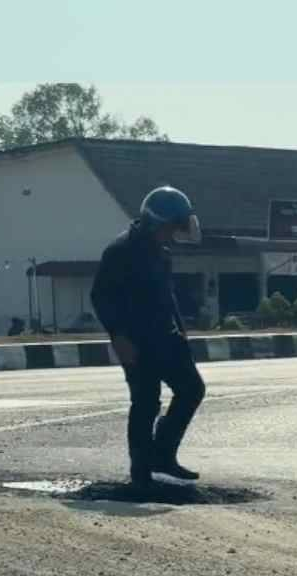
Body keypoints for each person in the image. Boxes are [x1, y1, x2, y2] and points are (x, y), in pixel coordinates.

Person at [90, 185, 206, 487]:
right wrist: (118, 337)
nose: (176, 232)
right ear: (156, 221)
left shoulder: (159, 251)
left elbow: (166, 295)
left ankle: (163, 455)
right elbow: (100, 297)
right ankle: (141, 471)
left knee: (192, 389)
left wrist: (181, 328)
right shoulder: (120, 251)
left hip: (166, 338)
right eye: (173, 226)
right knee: (145, 403)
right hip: (135, 342)